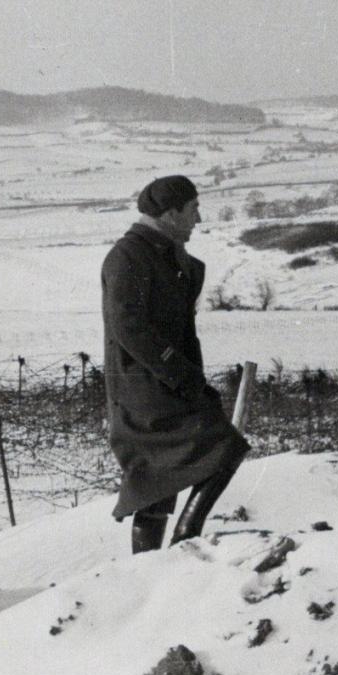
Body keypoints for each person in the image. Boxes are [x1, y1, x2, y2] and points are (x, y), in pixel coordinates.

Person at [102, 174, 249, 553]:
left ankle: (154, 562)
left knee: (157, 480)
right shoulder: (129, 256)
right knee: (222, 448)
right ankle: (185, 542)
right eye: (193, 209)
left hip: (164, 385)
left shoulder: (166, 255)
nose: (198, 219)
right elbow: (128, 327)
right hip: (144, 389)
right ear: (170, 213)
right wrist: (183, 375)